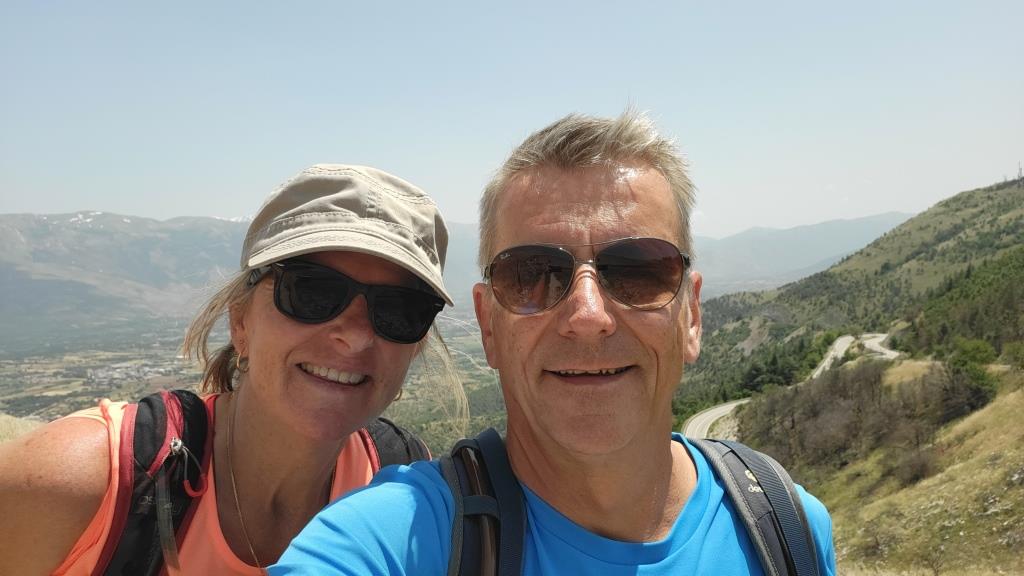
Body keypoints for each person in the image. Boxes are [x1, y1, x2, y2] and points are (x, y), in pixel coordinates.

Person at [271, 112, 837, 575]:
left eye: (638, 271)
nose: (588, 316)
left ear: (691, 315)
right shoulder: (395, 542)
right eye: (532, 275)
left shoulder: (786, 529)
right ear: (488, 326)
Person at [0, 164, 466, 575]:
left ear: (416, 346)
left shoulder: (405, 486)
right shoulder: (81, 482)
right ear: (240, 321)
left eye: (399, 310)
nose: (357, 335)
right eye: (313, 292)